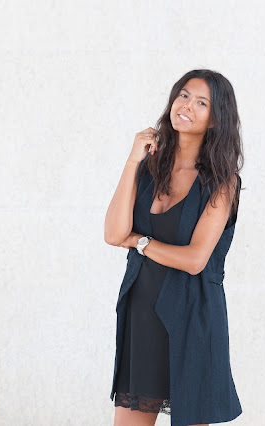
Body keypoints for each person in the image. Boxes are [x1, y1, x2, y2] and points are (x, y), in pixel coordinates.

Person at [104, 69, 244, 426]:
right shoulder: (148, 168)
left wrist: (140, 242)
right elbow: (114, 233)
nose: (187, 106)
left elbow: (196, 259)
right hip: (142, 316)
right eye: (183, 95)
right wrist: (133, 160)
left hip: (194, 317)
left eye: (202, 103)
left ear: (216, 119)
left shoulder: (222, 182)